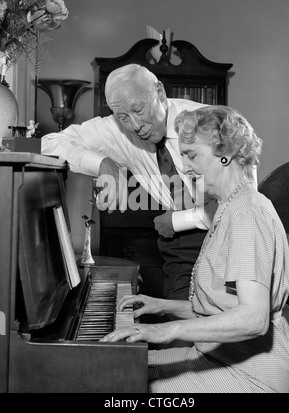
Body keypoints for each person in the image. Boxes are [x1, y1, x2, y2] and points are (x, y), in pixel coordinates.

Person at [100, 105, 289, 393]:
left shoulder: (247, 213)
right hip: (218, 356)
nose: (187, 168)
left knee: (123, 384)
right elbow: (219, 308)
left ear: (225, 153)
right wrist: (161, 306)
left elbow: (253, 319)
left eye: (192, 156)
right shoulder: (227, 207)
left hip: (251, 374)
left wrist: (166, 329)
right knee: (115, 367)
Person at [41, 64, 214, 300]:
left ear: (160, 94)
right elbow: (48, 144)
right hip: (178, 248)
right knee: (180, 325)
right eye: (123, 117)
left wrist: (177, 220)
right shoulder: (118, 129)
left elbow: (239, 203)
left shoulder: (209, 121)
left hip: (225, 236)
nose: (134, 125)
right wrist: (102, 163)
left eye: (139, 110)